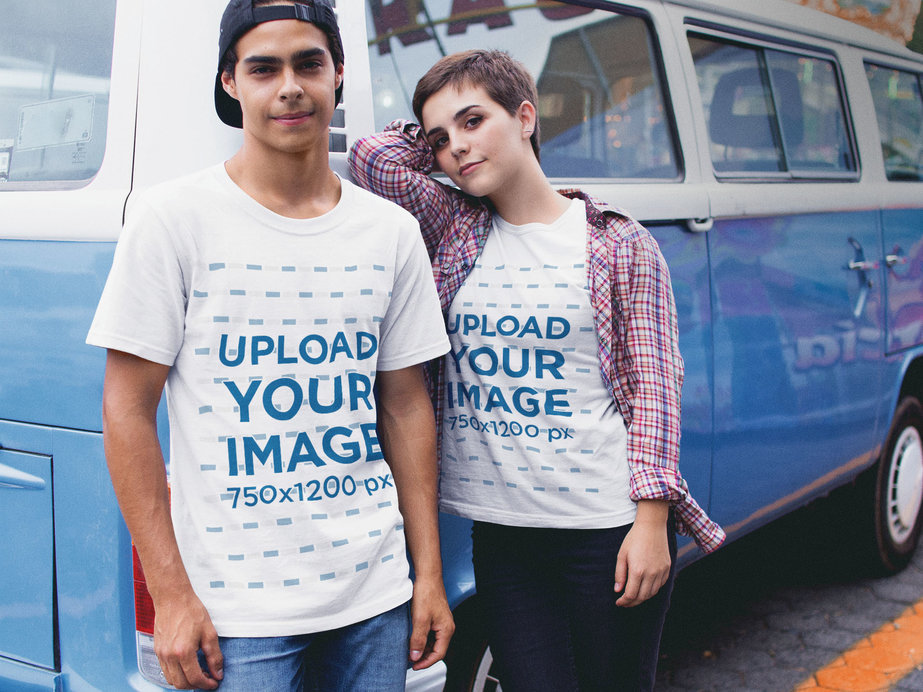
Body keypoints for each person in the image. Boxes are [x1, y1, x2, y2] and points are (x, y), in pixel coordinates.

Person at [87, 1, 454, 690]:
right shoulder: (173, 220)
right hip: (235, 614)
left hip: (373, 598)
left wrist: (425, 575)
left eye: (308, 63)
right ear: (232, 83)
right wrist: (171, 596)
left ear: (338, 76)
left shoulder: (390, 231)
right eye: (264, 68)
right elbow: (125, 411)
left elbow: (405, 407)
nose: (289, 86)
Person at [349, 49, 725, 691]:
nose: (457, 148)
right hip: (505, 537)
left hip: (604, 531)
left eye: (474, 121)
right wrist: (433, 130)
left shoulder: (616, 241)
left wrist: (652, 522)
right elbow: (371, 158)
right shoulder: (454, 228)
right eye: (442, 139)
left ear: (526, 117)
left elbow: (657, 388)